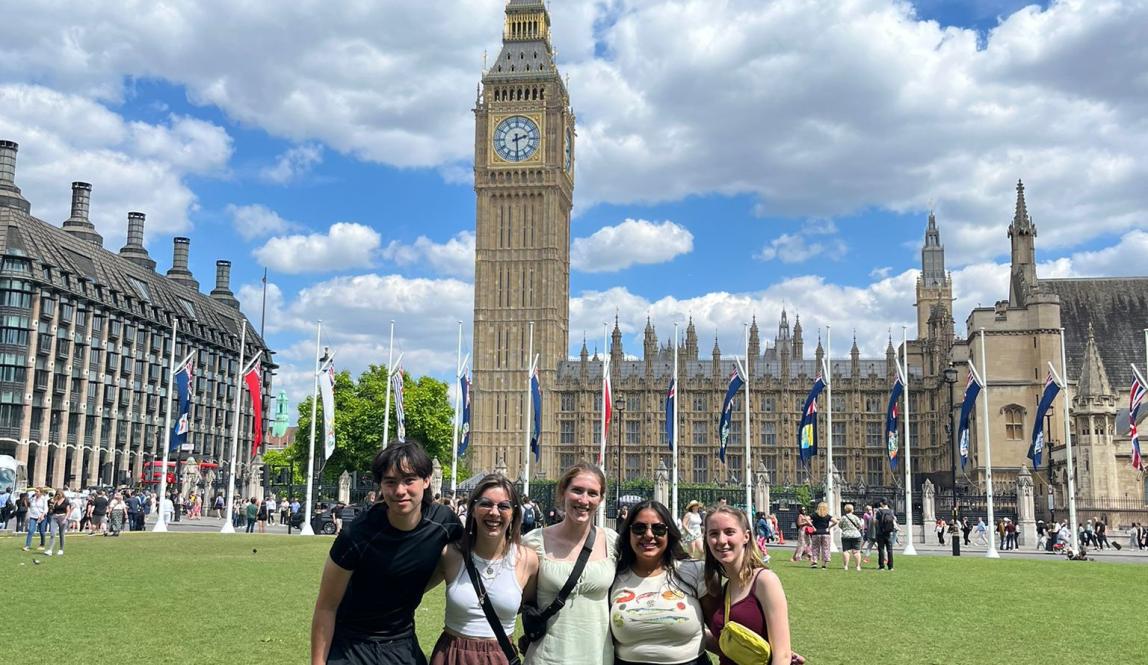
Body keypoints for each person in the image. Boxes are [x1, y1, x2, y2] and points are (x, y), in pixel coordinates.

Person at [311, 441, 463, 665]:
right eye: (390, 482)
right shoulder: (358, 534)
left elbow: (471, 555)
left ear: (427, 480)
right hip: (352, 644)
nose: (400, 491)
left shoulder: (444, 523)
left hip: (401, 642)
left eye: (409, 480)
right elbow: (326, 606)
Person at [428, 474, 539, 665]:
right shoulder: (450, 554)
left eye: (503, 506)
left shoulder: (527, 560)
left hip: (500, 656)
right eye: (486, 504)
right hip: (453, 656)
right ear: (473, 509)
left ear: (513, 513)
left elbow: (532, 608)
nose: (494, 512)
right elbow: (408, 595)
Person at [521, 463, 618, 664]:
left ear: (600, 499)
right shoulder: (534, 542)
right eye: (577, 490)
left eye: (592, 493)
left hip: (599, 657)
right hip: (547, 658)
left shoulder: (612, 542)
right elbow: (519, 601)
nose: (584, 499)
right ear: (563, 492)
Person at [611, 499, 710, 665]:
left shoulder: (693, 571)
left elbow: (719, 627)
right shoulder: (614, 576)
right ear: (628, 533)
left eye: (658, 529)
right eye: (639, 528)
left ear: (669, 533)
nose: (649, 535)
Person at [703, 506, 792, 665]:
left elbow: (783, 656)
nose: (722, 540)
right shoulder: (725, 589)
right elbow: (729, 646)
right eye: (714, 534)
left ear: (746, 536)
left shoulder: (764, 581)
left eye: (729, 532)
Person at [837, 504, 863, 571]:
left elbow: (839, 525)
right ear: (852, 510)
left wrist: (845, 529)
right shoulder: (855, 517)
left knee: (846, 551)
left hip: (846, 535)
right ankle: (858, 566)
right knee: (856, 551)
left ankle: (846, 566)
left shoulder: (843, 517)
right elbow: (860, 525)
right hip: (856, 535)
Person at [45, 488, 70, 556]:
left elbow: (68, 511)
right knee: (52, 533)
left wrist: (65, 519)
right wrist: (52, 504)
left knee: (61, 534)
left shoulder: (66, 500)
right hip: (54, 517)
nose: (58, 495)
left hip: (62, 517)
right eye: (57, 494)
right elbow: (51, 511)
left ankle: (61, 549)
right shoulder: (54, 500)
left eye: (59, 494)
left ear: (62, 494)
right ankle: (50, 550)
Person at [874, 499, 896, 572]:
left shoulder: (879, 511)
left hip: (880, 532)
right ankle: (891, 566)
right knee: (890, 550)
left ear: (881, 503)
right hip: (889, 532)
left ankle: (882, 566)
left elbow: (875, 522)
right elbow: (893, 520)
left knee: (881, 549)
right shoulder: (891, 511)